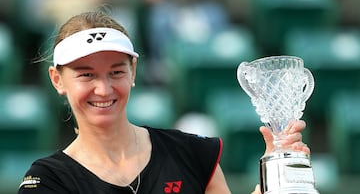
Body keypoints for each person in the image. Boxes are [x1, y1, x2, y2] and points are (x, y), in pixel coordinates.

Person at [18, 10, 310, 194]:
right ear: (57, 80)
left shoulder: (192, 152)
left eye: (116, 72)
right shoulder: (47, 181)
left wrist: (274, 178)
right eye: (86, 75)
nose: (103, 89)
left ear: (133, 71)